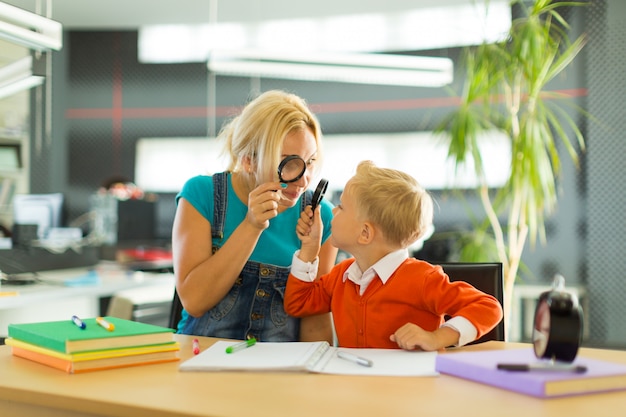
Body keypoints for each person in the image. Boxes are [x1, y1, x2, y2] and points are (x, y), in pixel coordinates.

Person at [172, 90, 337, 343]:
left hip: (279, 369)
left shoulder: (318, 215)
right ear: (249, 161)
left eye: (311, 161)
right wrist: (251, 225)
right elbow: (194, 301)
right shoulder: (202, 195)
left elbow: (314, 320)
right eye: (289, 162)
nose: (304, 180)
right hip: (202, 359)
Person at [284, 160, 503, 350]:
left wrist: (437, 338)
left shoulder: (423, 278)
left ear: (365, 233)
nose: (333, 211)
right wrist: (310, 249)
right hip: (357, 387)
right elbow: (298, 303)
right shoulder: (342, 275)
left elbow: (489, 307)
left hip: (411, 389)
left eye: (341, 207)